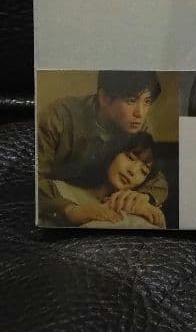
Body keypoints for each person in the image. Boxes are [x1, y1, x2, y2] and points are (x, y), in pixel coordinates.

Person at [38, 70, 168, 226]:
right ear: (104, 98)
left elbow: (156, 177)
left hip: (103, 203)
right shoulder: (59, 118)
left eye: (147, 101)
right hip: (58, 200)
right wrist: (69, 210)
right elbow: (29, 178)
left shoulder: (137, 125)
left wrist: (143, 197)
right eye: (131, 100)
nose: (140, 113)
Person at [46, 133, 167, 229]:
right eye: (130, 157)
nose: (133, 171)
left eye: (143, 171)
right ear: (112, 153)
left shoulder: (139, 209)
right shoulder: (57, 189)